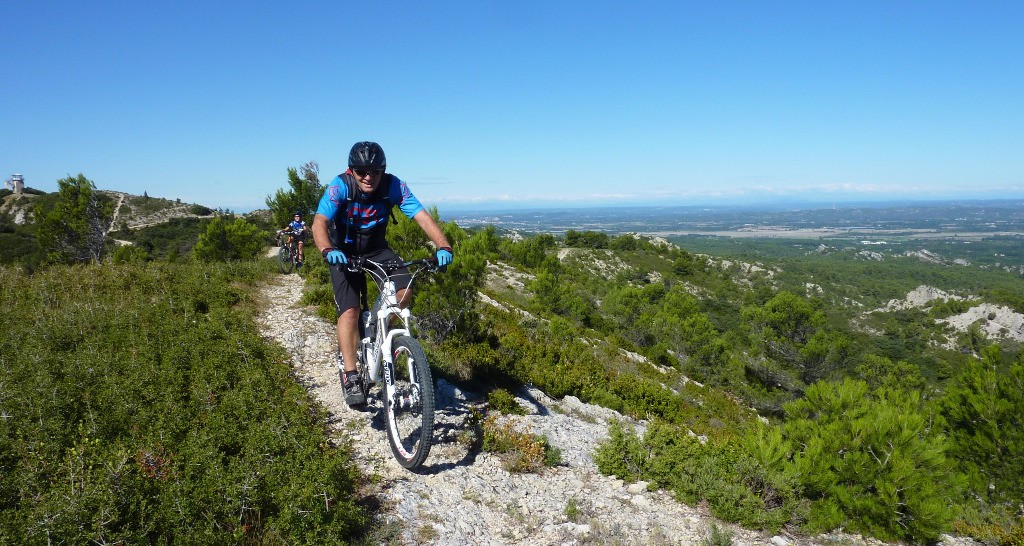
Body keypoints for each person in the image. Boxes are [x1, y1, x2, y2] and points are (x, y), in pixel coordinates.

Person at [312, 141, 453, 407]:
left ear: (382, 170)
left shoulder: (393, 186)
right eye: (362, 171)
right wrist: (327, 248)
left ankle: (377, 324)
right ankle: (351, 375)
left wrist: (442, 245)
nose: (368, 176)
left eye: (374, 171)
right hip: (342, 251)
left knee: (405, 289)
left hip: (377, 250)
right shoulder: (340, 185)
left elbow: (421, 215)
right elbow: (320, 222)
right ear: (351, 170)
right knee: (350, 311)